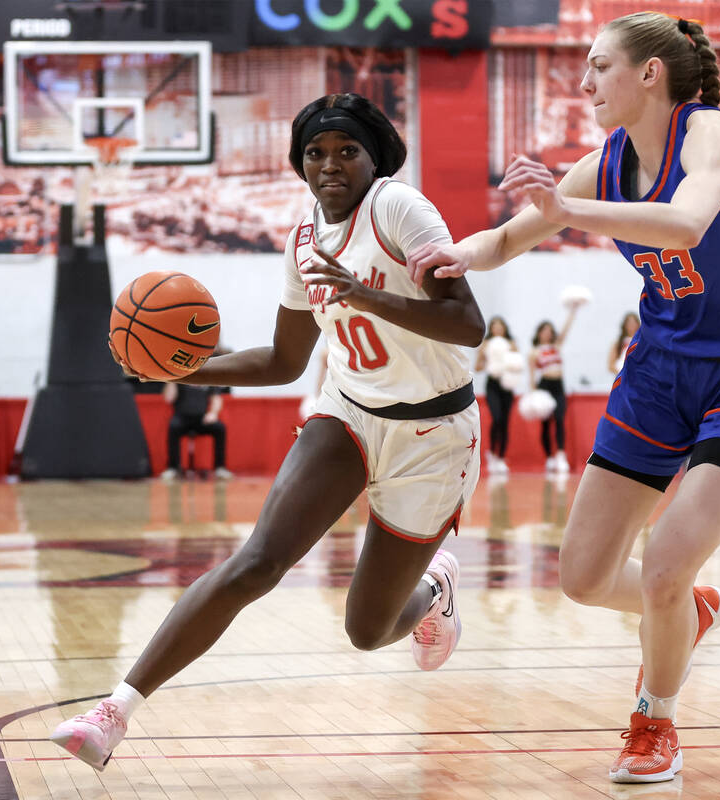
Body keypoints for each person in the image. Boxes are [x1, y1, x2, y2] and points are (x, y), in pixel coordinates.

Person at [409, 12, 720, 783]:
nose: (585, 83)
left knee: (664, 564)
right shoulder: (606, 163)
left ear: (649, 74)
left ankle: (654, 723)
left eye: (598, 67)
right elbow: (510, 237)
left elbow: (686, 225)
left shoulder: (712, 137)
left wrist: (568, 212)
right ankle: (688, 614)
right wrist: (450, 255)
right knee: (585, 577)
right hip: (660, 372)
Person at [51, 92, 485, 771]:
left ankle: (434, 591)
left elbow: (467, 323)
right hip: (347, 413)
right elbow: (284, 361)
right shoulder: (303, 240)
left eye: (346, 151)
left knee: (367, 631)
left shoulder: (399, 208)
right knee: (257, 561)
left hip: (434, 435)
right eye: (315, 153)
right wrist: (174, 367)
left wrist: (365, 294)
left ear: (374, 159)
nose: (330, 164)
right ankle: (113, 712)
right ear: (299, 164)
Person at [529, 304, 581, 473]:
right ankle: (549, 457)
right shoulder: (534, 352)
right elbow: (531, 376)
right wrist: (533, 394)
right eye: (544, 331)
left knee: (559, 418)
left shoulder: (556, 346)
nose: (547, 333)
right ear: (539, 333)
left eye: (550, 331)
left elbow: (565, 330)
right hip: (544, 386)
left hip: (558, 386)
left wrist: (573, 310)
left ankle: (560, 455)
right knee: (545, 423)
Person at [159, 382, 232, 480]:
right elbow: (169, 398)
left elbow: (216, 398)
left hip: (202, 418)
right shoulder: (180, 376)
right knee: (173, 426)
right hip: (181, 417)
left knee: (219, 428)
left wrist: (213, 413)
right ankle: (173, 468)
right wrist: (171, 379)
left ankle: (220, 468)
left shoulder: (207, 378)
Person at [475, 316, 517, 475]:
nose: (498, 329)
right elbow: (477, 367)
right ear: (491, 329)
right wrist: (485, 359)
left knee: (505, 422)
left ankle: (501, 457)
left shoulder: (511, 344)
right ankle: (492, 453)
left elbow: (517, 365)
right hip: (492, 384)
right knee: (497, 418)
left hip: (507, 384)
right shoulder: (486, 344)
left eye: (501, 326)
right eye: (495, 326)